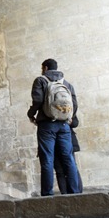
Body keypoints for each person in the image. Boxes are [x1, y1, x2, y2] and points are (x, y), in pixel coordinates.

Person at [27, 58, 81, 196]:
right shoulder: (67, 84)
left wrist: (31, 113)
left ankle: (47, 194)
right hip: (64, 125)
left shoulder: (40, 80)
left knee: (47, 159)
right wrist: (68, 117)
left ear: (45, 68)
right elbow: (74, 104)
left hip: (46, 125)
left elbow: (38, 100)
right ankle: (75, 192)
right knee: (68, 159)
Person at [54, 116, 83, 194]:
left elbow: (75, 122)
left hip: (67, 140)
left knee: (71, 167)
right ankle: (66, 194)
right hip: (54, 141)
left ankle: (77, 193)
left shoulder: (68, 105)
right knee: (61, 170)